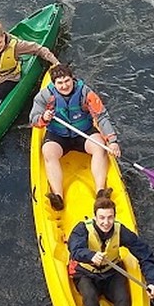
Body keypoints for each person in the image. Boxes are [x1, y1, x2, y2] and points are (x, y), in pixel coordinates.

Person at [30, 64, 120, 211]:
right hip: (58, 136)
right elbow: (34, 119)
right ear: (54, 84)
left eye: (67, 81)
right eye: (60, 83)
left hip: (83, 133)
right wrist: (44, 117)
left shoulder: (85, 93)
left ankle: (100, 191)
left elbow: (101, 116)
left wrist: (112, 141)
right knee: (48, 151)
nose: (64, 85)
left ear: (72, 79)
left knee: (99, 147)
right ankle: (58, 196)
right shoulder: (45, 96)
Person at [68, 197, 154, 306]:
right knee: (90, 296)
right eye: (102, 218)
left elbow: (145, 254)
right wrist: (90, 255)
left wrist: (152, 282)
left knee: (123, 298)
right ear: (95, 217)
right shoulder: (82, 229)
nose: (106, 223)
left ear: (114, 217)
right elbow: (75, 249)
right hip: (86, 274)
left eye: (110, 218)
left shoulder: (120, 231)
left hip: (111, 272)